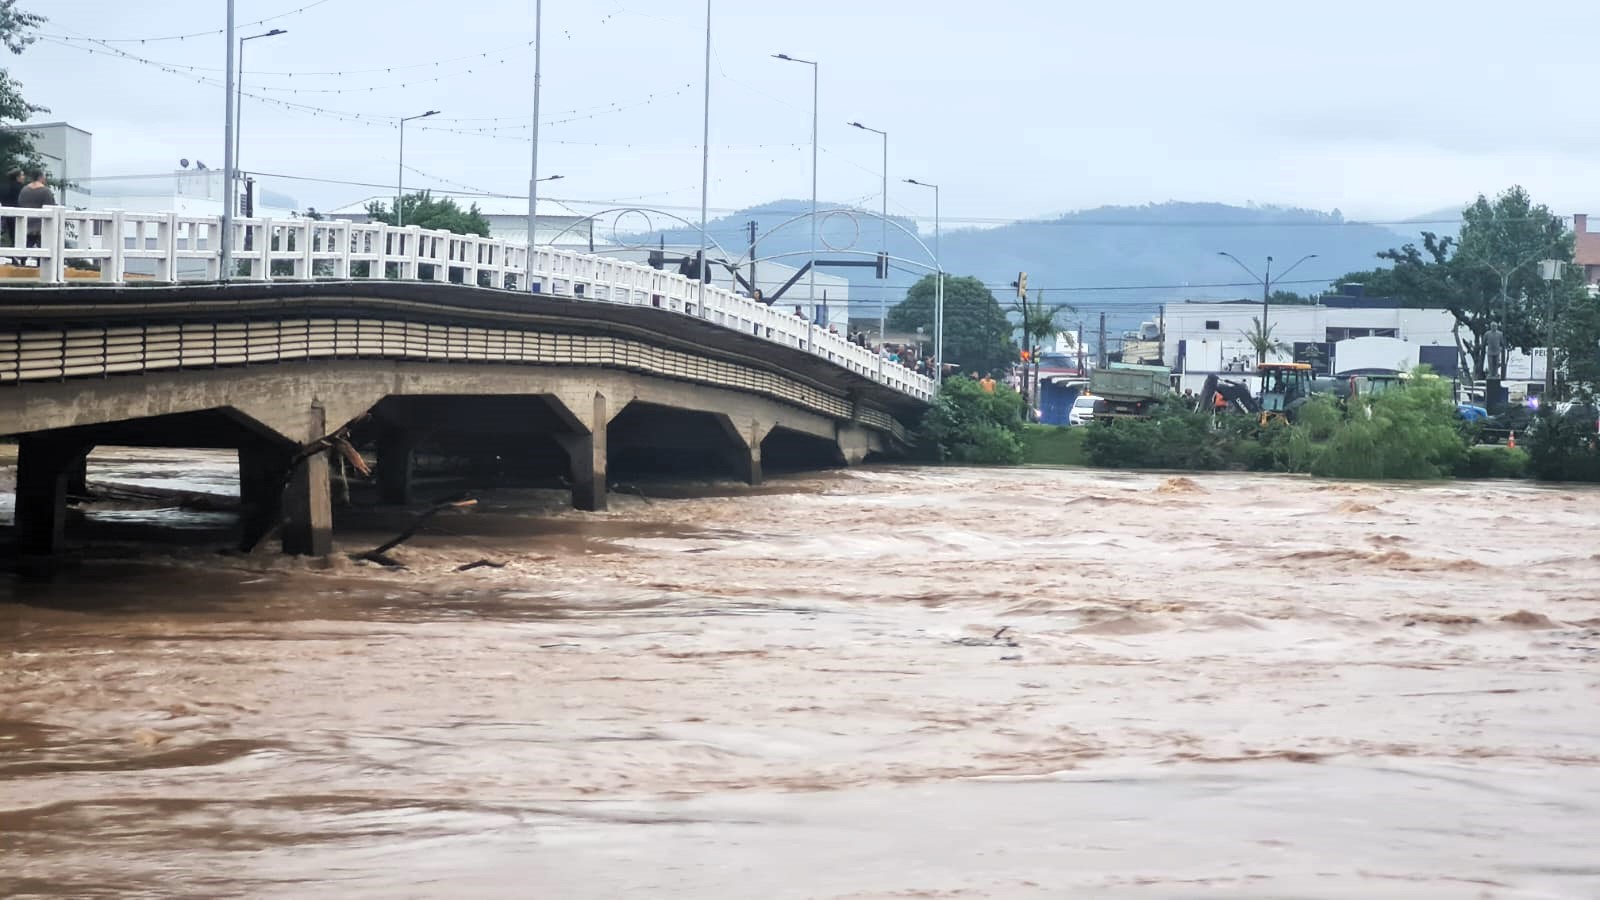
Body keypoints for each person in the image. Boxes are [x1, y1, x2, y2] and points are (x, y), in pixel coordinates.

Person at [17, 169, 56, 258]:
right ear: (40, 177)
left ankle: (21, 263)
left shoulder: (24, 190)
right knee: (43, 249)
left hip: (25, 224)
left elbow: (20, 203)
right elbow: (51, 206)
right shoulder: (46, 191)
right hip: (40, 225)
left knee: (25, 247)